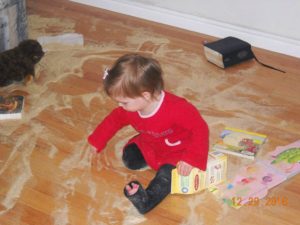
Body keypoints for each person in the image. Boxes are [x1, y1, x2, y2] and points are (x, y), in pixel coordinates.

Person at [88, 53, 209, 214]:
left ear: (145, 95)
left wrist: (191, 158)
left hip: (177, 150)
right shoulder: (129, 108)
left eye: (124, 102)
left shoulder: (177, 108)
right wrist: (97, 140)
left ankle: (147, 200)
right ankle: (148, 154)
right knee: (130, 160)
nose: (120, 106)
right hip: (150, 142)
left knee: (166, 177)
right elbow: (114, 120)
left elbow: (200, 129)